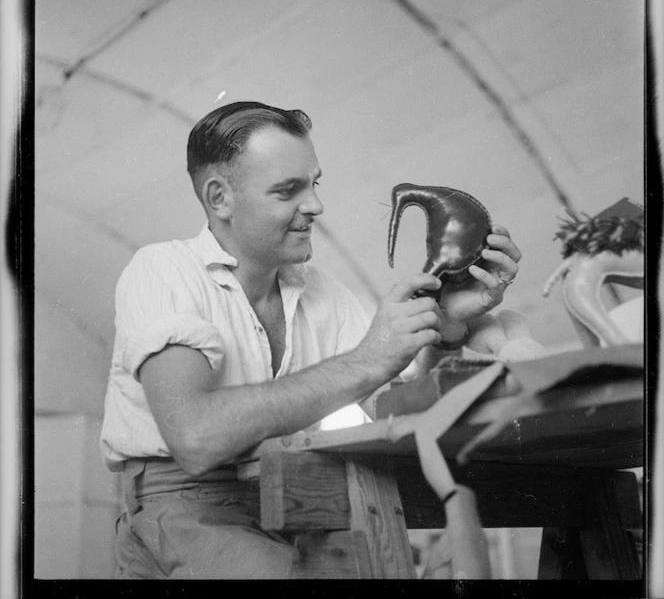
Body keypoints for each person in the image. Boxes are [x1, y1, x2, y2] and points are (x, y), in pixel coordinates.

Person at [100, 101, 521, 579]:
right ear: (219, 198)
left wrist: (445, 329)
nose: (315, 205)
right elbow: (195, 438)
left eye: (314, 183)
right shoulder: (163, 270)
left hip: (304, 497)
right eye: (288, 190)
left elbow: (390, 413)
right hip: (187, 505)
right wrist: (366, 361)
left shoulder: (326, 294)